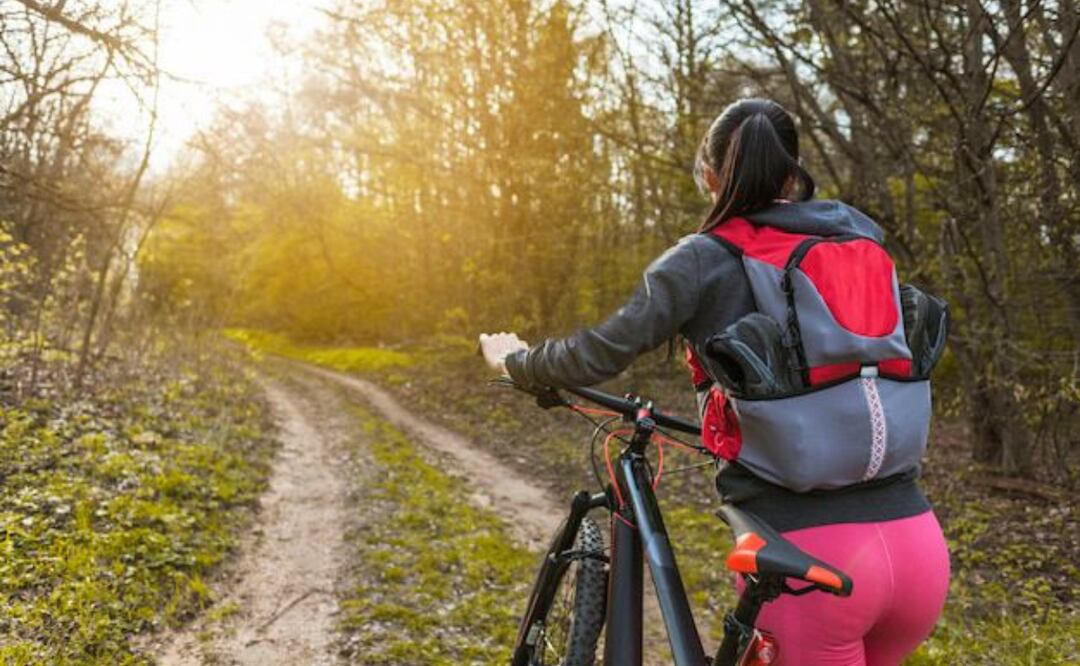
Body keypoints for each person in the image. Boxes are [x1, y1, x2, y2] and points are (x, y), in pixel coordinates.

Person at [478, 98, 949, 666]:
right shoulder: (857, 237)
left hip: (810, 563)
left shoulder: (703, 258)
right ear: (792, 172)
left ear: (708, 175)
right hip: (919, 548)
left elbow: (599, 352)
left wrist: (517, 362)